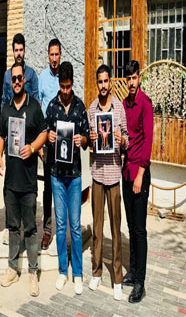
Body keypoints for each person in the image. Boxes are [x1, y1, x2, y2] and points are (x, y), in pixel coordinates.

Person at [0, 61, 47, 298]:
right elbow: (0, 134)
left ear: (24, 80)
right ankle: (12, 269)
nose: (17, 82)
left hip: (28, 182)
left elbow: (44, 132)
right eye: (13, 79)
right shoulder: (6, 108)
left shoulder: (34, 106)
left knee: (31, 228)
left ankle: (33, 272)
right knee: (13, 227)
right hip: (11, 182)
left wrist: (33, 147)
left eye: (20, 78)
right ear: (11, 81)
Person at [45, 61, 89, 295]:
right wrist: (49, 137)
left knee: (75, 226)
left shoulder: (80, 107)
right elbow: (45, 133)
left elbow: (88, 138)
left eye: (68, 86)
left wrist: (83, 140)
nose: (65, 91)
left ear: (72, 84)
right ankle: (63, 270)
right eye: (62, 86)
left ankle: (78, 273)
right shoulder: (52, 107)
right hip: (56, 175)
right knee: (61, 226)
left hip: (74, 176)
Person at [87, 64, 128, 301]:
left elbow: (127, 140)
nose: (103, 86)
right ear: (97, 84)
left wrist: (122, 141)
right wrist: (91, 139)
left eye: (106, 81)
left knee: (115, 228)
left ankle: (117, 278)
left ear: (111, 82)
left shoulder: (119, 108)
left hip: (113, 174)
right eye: (100, 82)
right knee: (97, 227)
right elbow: (89, 143)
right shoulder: (92, 109)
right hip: (97, 174)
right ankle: (96, 272)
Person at [121, 60, 153, 304]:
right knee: (131, 226)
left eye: (134, 78)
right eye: (128, 78)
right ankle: (132, 272)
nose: (132, 82)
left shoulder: (145, 104)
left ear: (139, 78)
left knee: (140, 230)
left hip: (139, 174)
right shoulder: (124, 104)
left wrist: (140, 175)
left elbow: (148, 142)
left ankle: (140, 282)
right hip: (126, 173)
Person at [38, 38, 61, 250]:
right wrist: (40, 143)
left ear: (60, 55)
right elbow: (39, 111)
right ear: (48, 56)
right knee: (47, 188)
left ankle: (61, 228)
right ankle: (47, 230)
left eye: (57, 54)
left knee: (61, 184)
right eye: (51, 55)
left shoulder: (65, 76)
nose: (54, 58)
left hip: (63, 140)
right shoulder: (42, 78)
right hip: (47, 140)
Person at [1, 33, 39, 107]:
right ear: (13, 52)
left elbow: (36, 99)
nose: (19, 53)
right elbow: (4, 100)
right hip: (11, 113)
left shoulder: (31, 73)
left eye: (21, 50)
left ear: (24, 51)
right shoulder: (7, 75)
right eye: (16, 50)